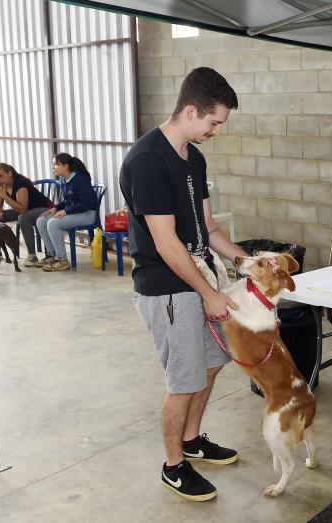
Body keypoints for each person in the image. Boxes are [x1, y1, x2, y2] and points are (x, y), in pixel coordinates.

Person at [121, 67, 251, 503]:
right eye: (213, 122)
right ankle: (174, 465)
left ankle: (193, 440)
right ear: (190, 110)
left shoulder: (194, 158)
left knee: (211, 364)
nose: (216, 131)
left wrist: (241, 259)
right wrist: (209, 292)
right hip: (167, 287)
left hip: (200, 279)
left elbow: (207, 227)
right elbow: (166, 241)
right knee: (184, 379)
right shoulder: (146, 161)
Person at [34, 153, 98, 272]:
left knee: (53, 223)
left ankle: (62, 260)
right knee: (41, 220)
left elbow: (87, 203)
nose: (53, 167)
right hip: (75, 212)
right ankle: (51, 255)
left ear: (65, 166)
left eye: (56, 164)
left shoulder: (80, 180)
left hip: (87, 214)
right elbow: (68, 200)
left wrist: (66, 211)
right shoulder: (64, 179)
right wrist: (56, 208)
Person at [0, 162, 54, 267]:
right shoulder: (1, 185)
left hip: (45, 209)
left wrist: (4, 195)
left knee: (23, 218)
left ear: (10, 173)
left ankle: (32, 256)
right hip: (26, 210)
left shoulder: (20, 184)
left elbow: (22, 209)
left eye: (1, 176)